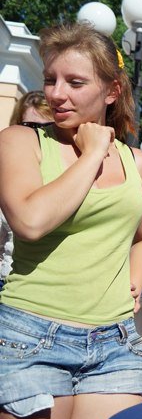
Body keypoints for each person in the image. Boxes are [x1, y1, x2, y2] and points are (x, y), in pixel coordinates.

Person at [0, 21, 142, 419]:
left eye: (75, 82)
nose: (57, 94)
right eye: (50, 80)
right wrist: (91, 154)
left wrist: (132, 283)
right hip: (30, 340)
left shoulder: (138, 163)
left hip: (114, 346)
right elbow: (29, 221)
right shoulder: (20, 143)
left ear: (112, 90)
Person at [0, 91, 57, 288]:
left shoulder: (71, 169)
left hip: (53, 287)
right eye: (30, 126)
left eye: (47, 126)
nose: (38, 133)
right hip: (9, 281)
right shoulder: (7, 170)